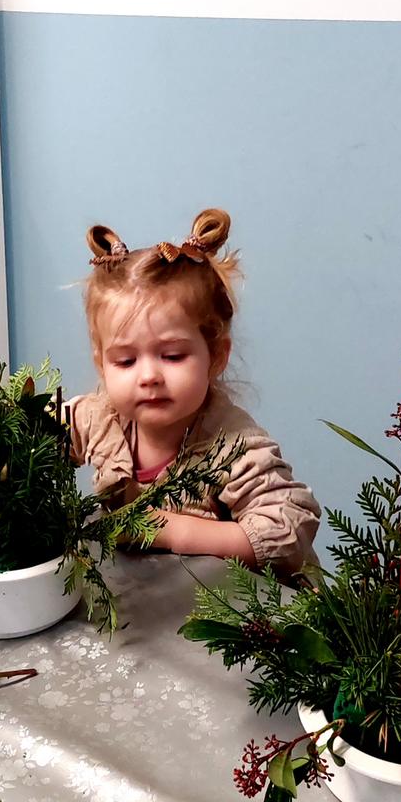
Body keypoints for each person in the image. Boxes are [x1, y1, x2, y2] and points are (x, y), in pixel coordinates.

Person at [69, 208, 319, 578]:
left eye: (172, 356)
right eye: (125, 361)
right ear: (102, 364)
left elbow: (289, 533)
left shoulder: (235, 447)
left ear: (215, 355)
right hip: (141, 596)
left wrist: (175, 530)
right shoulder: (99, 416)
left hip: (231, 602)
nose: (149, 376)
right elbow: (32, 432)